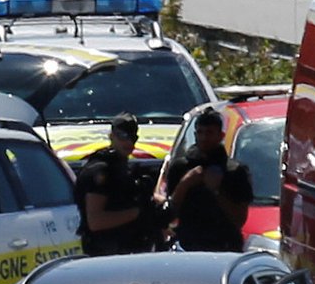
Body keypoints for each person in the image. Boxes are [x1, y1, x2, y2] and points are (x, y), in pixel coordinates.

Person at [161, 108, 253, 252]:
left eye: (209, 133)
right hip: (188, 246)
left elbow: (239, 220)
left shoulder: (235, 171)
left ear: (221, 136)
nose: (204, 138)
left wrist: (216, 191)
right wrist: (185, 184)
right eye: (200, 132)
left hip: (224, 246)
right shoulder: (180, 168)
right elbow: (169, 214)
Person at [75, 113, 160, 255]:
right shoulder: (101, 170)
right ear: (111, 136)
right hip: (105, 252)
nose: (128, 142)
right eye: (122, 136)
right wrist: (138, 213)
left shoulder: (122, 168)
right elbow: (96, 221)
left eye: (132, 137)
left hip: (129, 249)